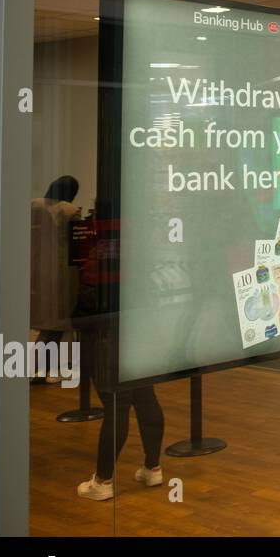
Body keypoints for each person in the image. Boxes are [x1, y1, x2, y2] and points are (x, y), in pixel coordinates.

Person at [73, 203, 166, 501]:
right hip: (140, 329)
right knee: (145, 395)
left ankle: (103, 480)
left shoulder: (102, 252)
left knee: (117, 405)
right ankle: (153, 467)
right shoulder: (140, 246)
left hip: (110, 334)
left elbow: (89, 301)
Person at [29, 176, 82, 383]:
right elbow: (77, 241)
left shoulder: (35, 205)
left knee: (47, 323)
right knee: (57, 323)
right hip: (62, 270)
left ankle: (40, 369)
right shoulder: (70, 210)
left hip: (37, 268)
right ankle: (43, 370)